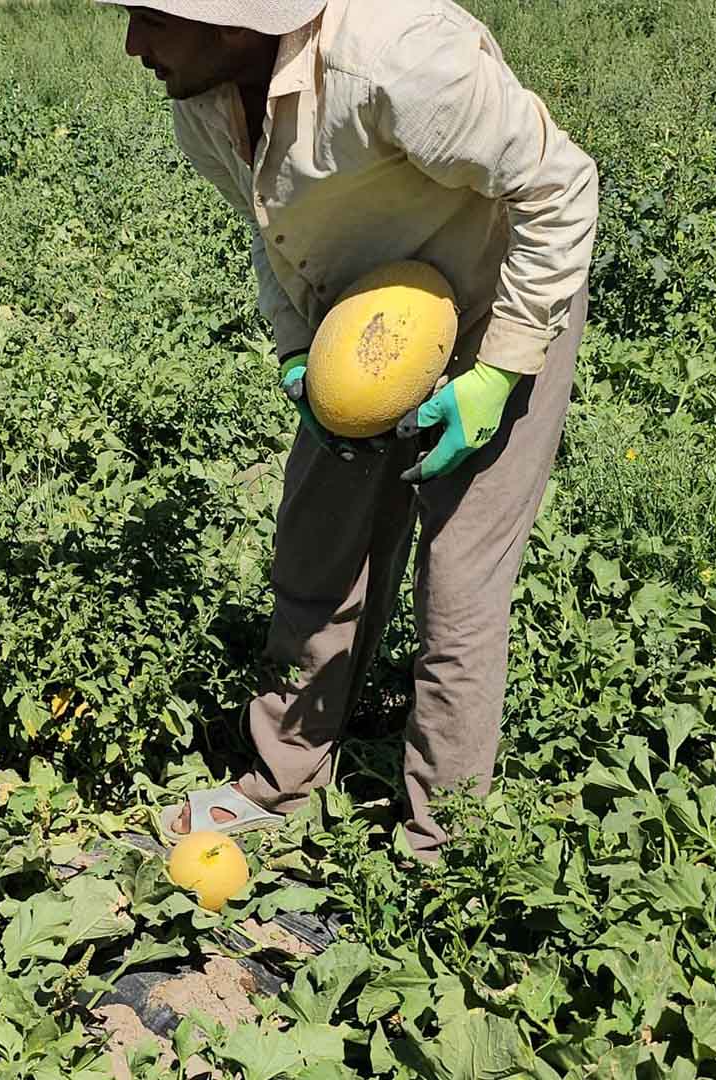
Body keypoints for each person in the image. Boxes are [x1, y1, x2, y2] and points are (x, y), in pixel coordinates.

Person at [104, 0, 597, 858]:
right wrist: (299, 347)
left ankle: (443, 845)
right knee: (317, 552)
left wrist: (499, 371)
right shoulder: (203, 102)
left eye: (152, 18)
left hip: (504, 296)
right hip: (360, 323)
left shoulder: (398, 58)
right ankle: (282, 784)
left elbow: (559, 186)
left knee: (459, 586)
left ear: (235, 22)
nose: (132, 44)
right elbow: (270, 228)